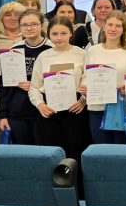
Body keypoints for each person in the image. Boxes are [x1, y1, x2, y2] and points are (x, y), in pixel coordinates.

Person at [29, 16, 89, 165]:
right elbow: (34, 87)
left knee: (75, 151)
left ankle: (76, 180)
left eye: (63, 33)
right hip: (50, 111)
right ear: (48, 34)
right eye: (54, 34)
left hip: (75, 109)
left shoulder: (82, 54)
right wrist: (40, 105)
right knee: (51, 153)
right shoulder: (43, 56)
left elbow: (88, 80)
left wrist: (83, 100)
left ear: (71, 33)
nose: (59, 37)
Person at [81, 11, 126, 145]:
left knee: (122, 152)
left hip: (122, 109)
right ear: (104, 26)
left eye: (118, 26)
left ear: (124, 29)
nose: (113, 29)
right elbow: (86, 76)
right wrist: (84, 88)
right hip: (97, 109)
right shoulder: (92, 51)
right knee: (102, 151)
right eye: (110, 25)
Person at [0, 9, 52, 145]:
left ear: (42, 25)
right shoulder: (14, 50)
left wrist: (36, 87)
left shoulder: (52, 49)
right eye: (25, 25)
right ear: (20, 27)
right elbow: (5, 86)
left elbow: (59, 82)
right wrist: (2, 115)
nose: (29, 28)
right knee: (21, 154)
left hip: (44, 111)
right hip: (17, 113)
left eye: (33, 24)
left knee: (43, 152)